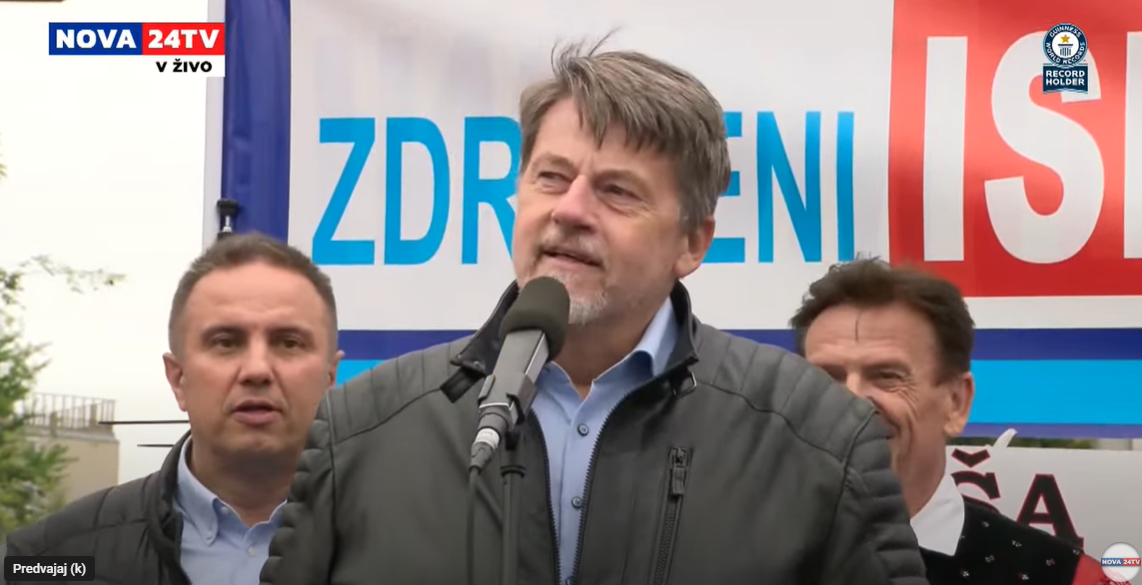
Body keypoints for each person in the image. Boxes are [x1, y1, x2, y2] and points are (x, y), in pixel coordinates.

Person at [258, 41, 928, 585]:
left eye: (617, 191)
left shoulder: (818, 436)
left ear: (692, 243)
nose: (570, 210)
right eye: (550, 177)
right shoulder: (361, 429)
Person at [3, 233, 343, 585]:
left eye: (289, 343)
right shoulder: (47, 559)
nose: (257, 370)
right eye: (226, 342)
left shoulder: (382, 547)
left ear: (330, 378)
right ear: (178, 378)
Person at [790, 258, 1129, 585]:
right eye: (825, 378)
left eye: (887, 375)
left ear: (956, 403)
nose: (851, 402)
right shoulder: (759, 558)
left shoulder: (1069, 578)